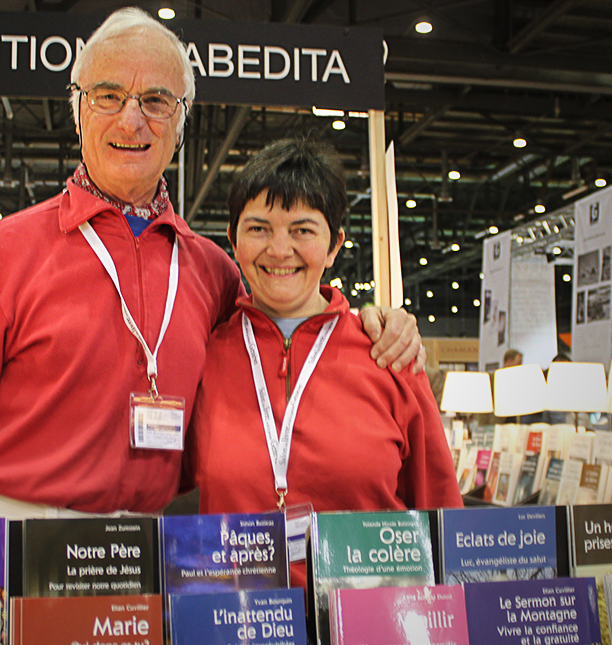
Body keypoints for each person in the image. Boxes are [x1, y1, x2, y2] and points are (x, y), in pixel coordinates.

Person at [0, 8, 420, 520]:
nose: (131, 118)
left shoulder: (212, 271)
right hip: (11, 540)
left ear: (182, 118)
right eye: (108, 96)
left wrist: (377, 323)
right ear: (77, 108)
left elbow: (287, 333)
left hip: (144, 555)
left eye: (156, 100)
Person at [183, 138, 462, 587]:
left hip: (375, 638)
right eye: (259, 228)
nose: (279, 249)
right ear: (232, 240)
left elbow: (442, 511)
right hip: (246, 633)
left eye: (302, 230)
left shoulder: (389, 354)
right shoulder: (204, 355)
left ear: (334, 246)